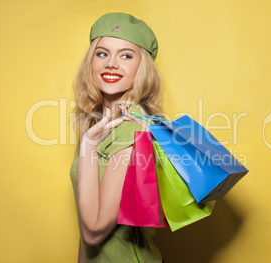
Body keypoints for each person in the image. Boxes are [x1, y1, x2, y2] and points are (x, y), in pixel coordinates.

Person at [70, 13, 164, 263]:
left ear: (141, 66)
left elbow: (94, 230)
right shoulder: (97, 121)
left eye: (126, 55)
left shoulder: (131, 126)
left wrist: (88, 145)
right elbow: (84, 223)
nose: (111, 63)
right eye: (102, 53)